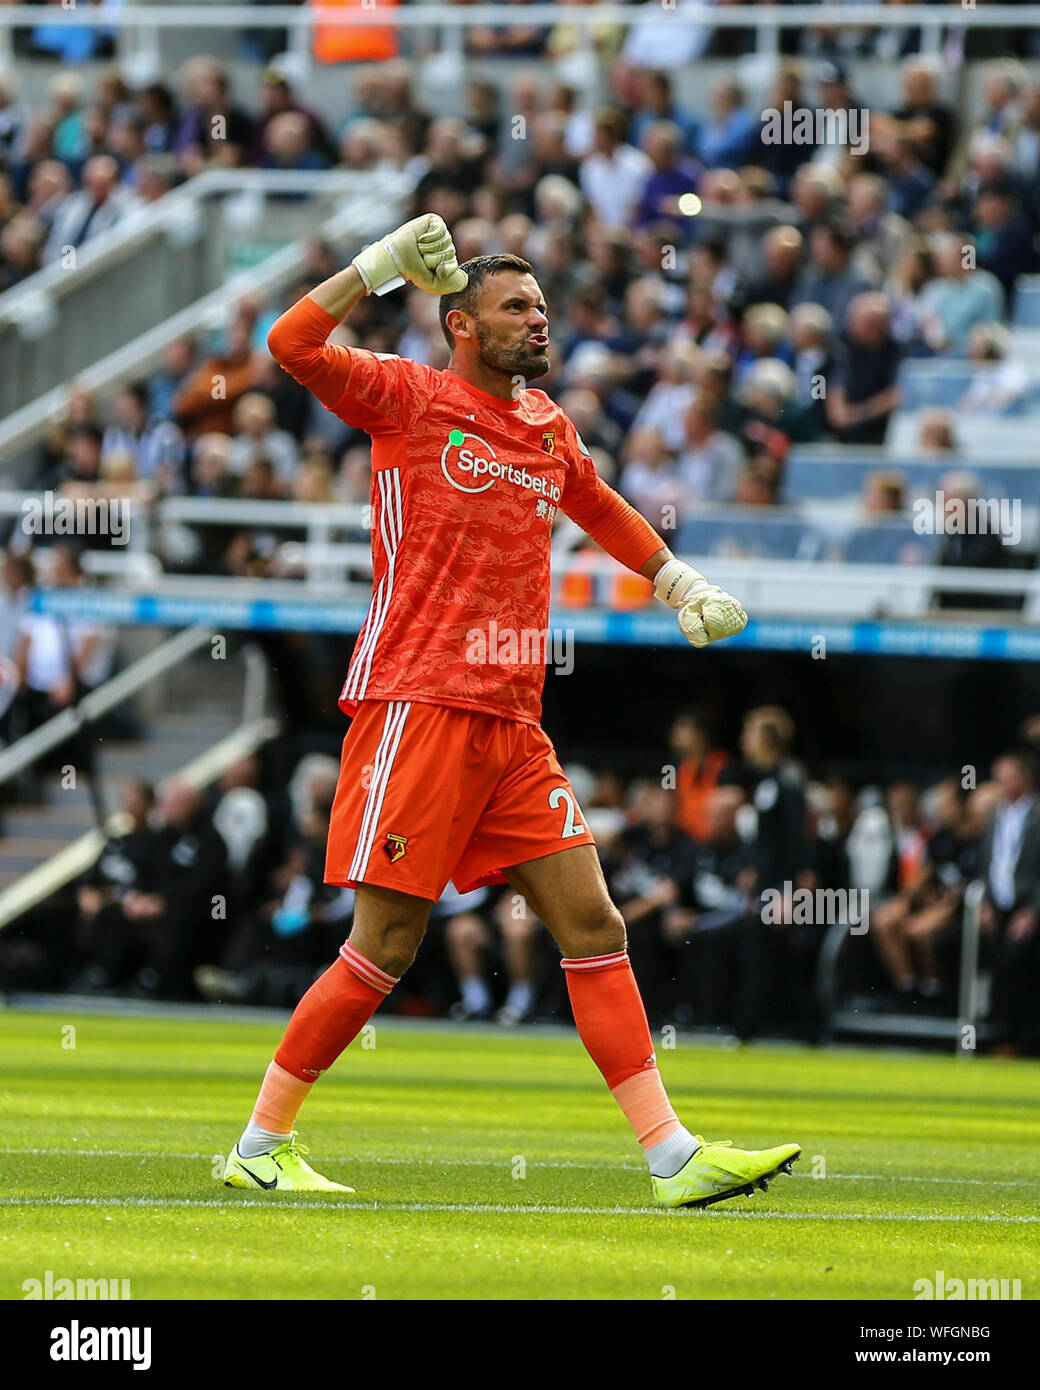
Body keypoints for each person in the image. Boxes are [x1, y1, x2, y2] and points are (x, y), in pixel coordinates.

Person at [221, 214, 799, 1207]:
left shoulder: (544, 427)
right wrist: (376, 268)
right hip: (419, 702)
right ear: (459, 325)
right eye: (514, 308)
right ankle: (260, 1139)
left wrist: (678, 581)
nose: (538, 321)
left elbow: (600, 503)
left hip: (511, 722)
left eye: (540, 306)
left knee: (592, 919)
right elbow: (289, 346)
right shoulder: (407, 398)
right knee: (386, 946)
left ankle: (669, 1155)